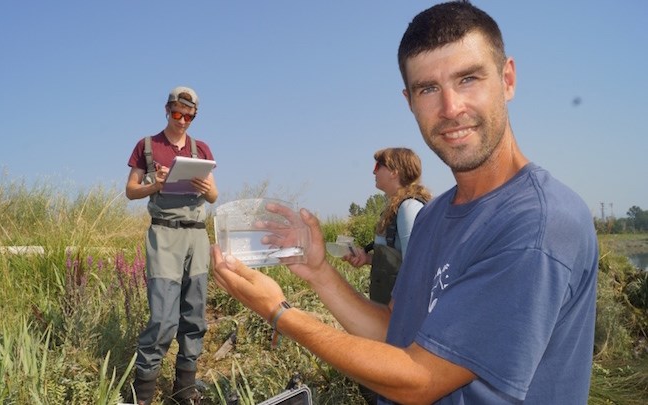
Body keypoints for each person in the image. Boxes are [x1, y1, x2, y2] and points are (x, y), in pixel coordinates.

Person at [211, 1, 599, 404]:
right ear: (409, 100)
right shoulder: (432, 216)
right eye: (428, 88)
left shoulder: (538, 224)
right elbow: (394, 331)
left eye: (468, 79)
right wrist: (320, 272)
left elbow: (420, 378)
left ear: (508, 79)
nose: (451, 109)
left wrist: (280, 313)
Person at [126, 85, 218, 405]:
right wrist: (157, 183)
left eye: (188, 116)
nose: (182, 121)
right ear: (167, 110)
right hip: (164, 234)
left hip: (197, 234)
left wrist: (205, 187)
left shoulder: (201, 148)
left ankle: (183, 391)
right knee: (164, 318)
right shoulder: (147, 146)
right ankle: (144, 394)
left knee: (194, 315)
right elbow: (131, 190)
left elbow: (214, 196)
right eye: (177, 114)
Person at [345, 147, 432, 305]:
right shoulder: (396, 208)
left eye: (378, 166)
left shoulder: (408, 207)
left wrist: (396, 310)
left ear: (394, 172)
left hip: (401, 311)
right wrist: (368, 259)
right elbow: (398, 261)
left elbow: (415, 267)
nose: (373, 172)